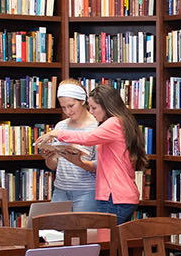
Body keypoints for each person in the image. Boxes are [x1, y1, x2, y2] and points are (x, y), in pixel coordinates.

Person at [35, 85, 145, 223]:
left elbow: (88, 138)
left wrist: (56, 133)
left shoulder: (113, 122)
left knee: (104, 240)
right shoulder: (121, 121)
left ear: (107, 106)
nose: (91, 112)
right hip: (118, 195)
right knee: (108, 240)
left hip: (114, 196)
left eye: (94, 108)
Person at [41, 79, 99, 212]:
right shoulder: (60, 126)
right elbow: (54, 166)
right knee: (52, 230)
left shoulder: (97, 126)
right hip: (61, 190)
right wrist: (48, 158)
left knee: (83, 231)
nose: (67, 111)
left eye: (71, 105)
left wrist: (78, 160)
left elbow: (100, 166)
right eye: (63, 107)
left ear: (83, 101)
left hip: (87, 191)